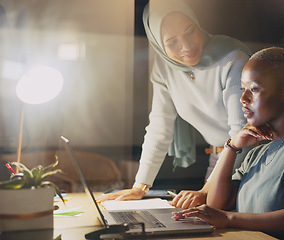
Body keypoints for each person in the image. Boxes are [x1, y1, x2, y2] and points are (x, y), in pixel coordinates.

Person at [172, 47, 284, 239]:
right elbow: (216, 205)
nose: (243, 99)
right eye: (243, 90)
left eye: (254, 89)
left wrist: (230, 219)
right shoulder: (257, 153)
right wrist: (232, 147)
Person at [97, 0, 250, 204]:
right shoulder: (164, 68)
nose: (186, 46)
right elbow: (159, 128)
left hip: (250, 158)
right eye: (171, 42)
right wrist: (140, 186)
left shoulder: (233, 60)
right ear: (158, 45)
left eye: (190, 31)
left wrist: (206, 190)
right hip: (217, 159)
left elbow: (241, 132)